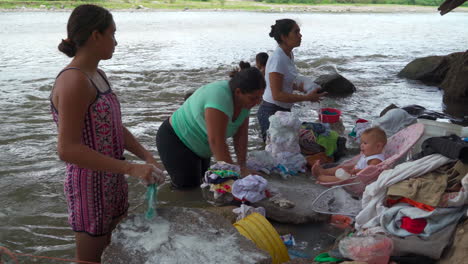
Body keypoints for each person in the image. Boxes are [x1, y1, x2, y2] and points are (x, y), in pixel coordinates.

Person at [50, 5, 164, 262]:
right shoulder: (73, 81)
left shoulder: (97, 75)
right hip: (89, 187)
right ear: (95, 35)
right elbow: (67, 149)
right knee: (91, 259)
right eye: (112, 33)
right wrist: (131, 169)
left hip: (112, 180)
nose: (116, 41)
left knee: (115, 253)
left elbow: (113, 127)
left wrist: (145, 156)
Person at [156, 66, 266, 189]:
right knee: (188, 191)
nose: (257, 103)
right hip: (176, 140)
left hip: (201, 147)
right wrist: (233, 176)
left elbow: (241, 137)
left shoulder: (245, 103)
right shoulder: (220, 97)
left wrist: (242, 166)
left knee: (204, 187)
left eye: (260, 97)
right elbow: (216, 142)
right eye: (253, 98)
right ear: (238, 92)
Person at [257, 19, 326, 142]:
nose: (300, 35)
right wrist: (307, 98)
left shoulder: (288, 54)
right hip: (270, 112)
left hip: (282, 110)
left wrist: (305, 87)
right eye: (296, 32)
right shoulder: (278, 59)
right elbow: (277, 95)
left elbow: (286, 82)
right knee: (276, 152)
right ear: (284, 37)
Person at [312, 127, 387, 183]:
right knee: (341, 167)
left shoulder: (376, 160)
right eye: (361, 143)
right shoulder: (369, 154)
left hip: (356, 179)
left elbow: (368, 172)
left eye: (365, 143)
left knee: (340, 178)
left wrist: (352, 171)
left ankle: (320, 177)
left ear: (378, 146)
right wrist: (349, 168)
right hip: (354, 173)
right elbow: (360, 164)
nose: (361, 145)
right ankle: (323, 171)